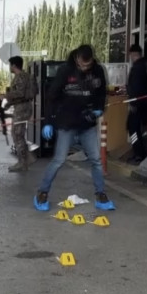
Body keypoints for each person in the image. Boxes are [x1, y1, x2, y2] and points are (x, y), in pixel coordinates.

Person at [34, 44, 115, 212]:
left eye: (88, 65)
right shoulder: (66, 70)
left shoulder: (97, 70)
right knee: (59, 160)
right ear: (77, 58)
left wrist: (99, 108)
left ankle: (101, 195)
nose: (85, 68)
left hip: (87, 123)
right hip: (67, 123)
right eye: (82, 65)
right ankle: (41, 194)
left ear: (92, 60)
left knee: (96, 160)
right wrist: (48, 121)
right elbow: (52, 97)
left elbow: (101, 93)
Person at [0, 56, 37, 172]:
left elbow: (20, 93)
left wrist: (5, 96)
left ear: (14, 65)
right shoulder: (26, 76)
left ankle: (23, 162)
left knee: (17, 134)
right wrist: (8, 104)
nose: (9, 67)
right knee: (18, 134)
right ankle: (26, 159)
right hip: (23, 106)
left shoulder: (20, 77)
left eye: (10, 65)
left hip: (22, 108)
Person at [126, 44, 147, 163]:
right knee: (140, 128)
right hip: (145, 102)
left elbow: (135, 87)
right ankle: (142, 152)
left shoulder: (137, 67)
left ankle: (138, 153)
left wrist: (132, 102)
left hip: (137, 103)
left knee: (132, 128)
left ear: (133, 54)